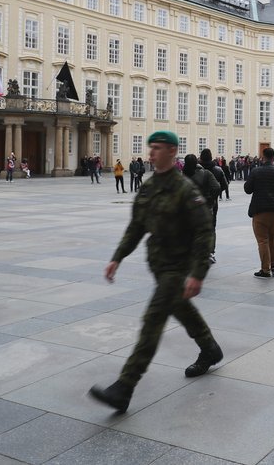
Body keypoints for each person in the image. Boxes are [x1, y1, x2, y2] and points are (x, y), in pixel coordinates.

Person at [88, 131, 222, 414]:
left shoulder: (185, 190)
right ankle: (210, 348)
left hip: (178, 267)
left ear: (172, 152)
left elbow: (203, 231)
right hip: (159, 266)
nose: (151, 154)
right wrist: (117, 258)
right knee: (182, 309)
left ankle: (125, 386)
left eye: (157, 149)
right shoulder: (149, 187)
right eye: (150, 149)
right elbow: (136, 226)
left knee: (153, 320)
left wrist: (197, 273)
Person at [244, 147, 274, 278]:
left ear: (263, 157)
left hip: (260, 210)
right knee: (273, 237)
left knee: (263, 240)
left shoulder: (256, 172)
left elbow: (247, 189)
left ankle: (265, 269)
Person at [199, 149, 228, 263]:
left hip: (197, 203)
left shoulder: (195, 170)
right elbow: (225, 185)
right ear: (211, 157)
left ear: (201, 157)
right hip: (212, 203)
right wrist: (215, 194)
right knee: (211, 228)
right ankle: (211, 252)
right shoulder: (217, 170)